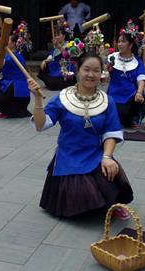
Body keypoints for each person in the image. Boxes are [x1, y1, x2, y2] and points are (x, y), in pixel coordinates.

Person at [29, 53, 134, 218]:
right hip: (68, 156)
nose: (91, 75)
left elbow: (111, 133)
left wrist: (107, 157)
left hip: (95, 154)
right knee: (82, 202)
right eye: (86, 69)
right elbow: (41, 125)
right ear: (77, 71)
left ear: (102, 74)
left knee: (108, 182)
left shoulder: (107, 101)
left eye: (96, 71)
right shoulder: (63, 99)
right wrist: (37, 100)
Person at [0, 23, 32, 119]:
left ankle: (8, 111)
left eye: (7, 41)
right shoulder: (17, 55)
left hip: (16, 92)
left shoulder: (13, 57)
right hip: (24, 95)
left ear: (13, 44)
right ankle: (12, 110)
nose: (4, 42)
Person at [107, 21, 145, 128]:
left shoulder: (137, 62)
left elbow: (141, 78)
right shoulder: (112, 58)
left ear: (130, 45)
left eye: (123, 42)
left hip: (130, 95)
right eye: (119, 41)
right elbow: (103, 72)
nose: (119, 44)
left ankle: (131, 118)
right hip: (114, 94)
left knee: (137, 99)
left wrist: (139, 92)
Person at [38, 21, 76, 91]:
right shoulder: (56, 46)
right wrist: (45, 60)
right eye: (55, 35)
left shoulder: (69, 44)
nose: (56, 37)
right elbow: (51, 55)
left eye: (58, 34)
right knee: (44, 67)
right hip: (55, 66)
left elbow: (67, 56)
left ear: (64, 36)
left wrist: (59, 46)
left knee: (55, 81)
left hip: (64, 66)